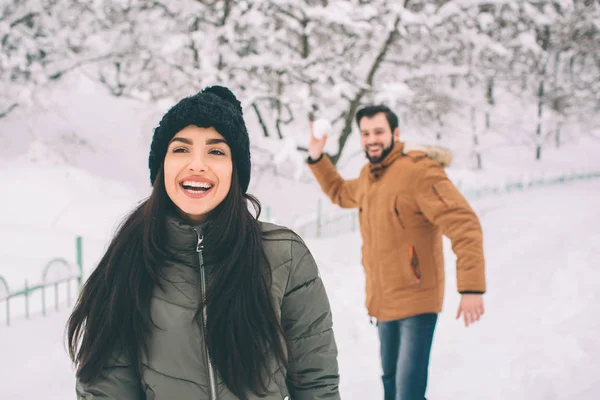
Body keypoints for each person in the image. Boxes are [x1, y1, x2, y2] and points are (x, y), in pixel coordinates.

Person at [67, 86, 340, 400]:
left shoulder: (284, 255)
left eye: (216, 151)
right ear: (162, 166)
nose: (197, 165)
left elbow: (317, 386)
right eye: (181, 149)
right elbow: (105, 390)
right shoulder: (129, 259)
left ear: (235, 169)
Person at [306, 105, 486, 400]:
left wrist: (472, 287)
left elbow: (463, 223)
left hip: (417, 300)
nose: (371, 139)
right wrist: (317, 156)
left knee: (408, 392)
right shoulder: (369, 175)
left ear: (395, 133)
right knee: (390, 385)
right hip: (383, 300)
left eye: (378, 132)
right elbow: (339, 192)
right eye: (365, 134)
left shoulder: (419, 171)